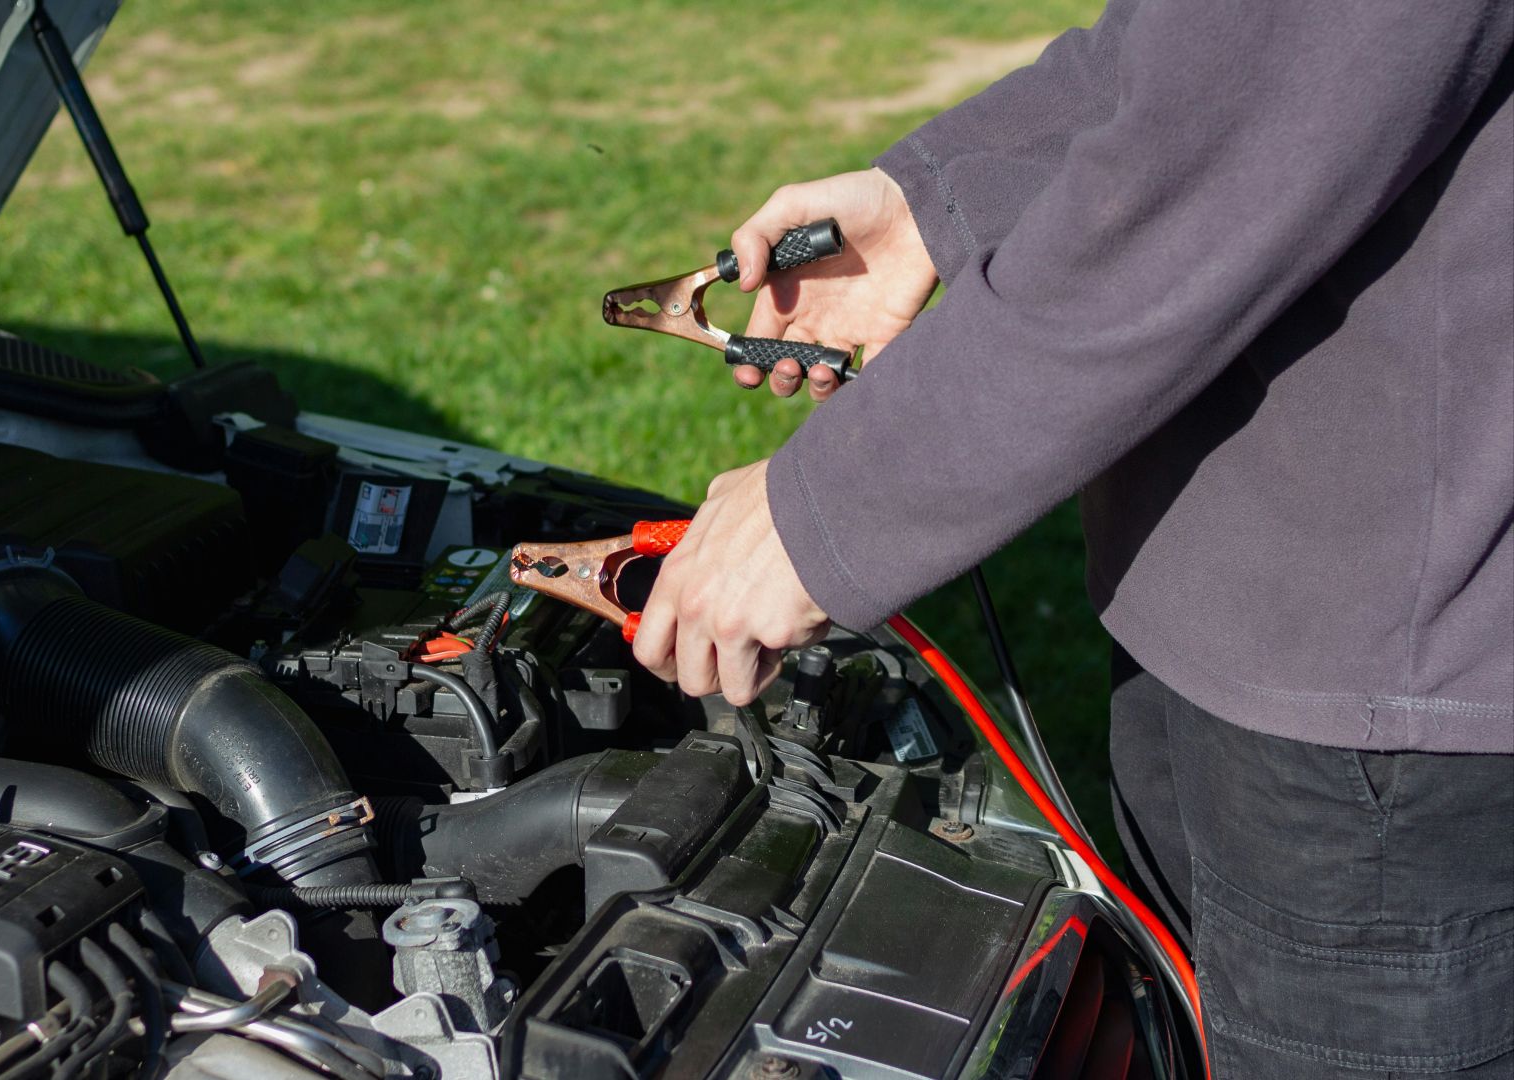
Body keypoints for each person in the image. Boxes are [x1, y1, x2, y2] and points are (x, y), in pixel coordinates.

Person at [627, 1, 1514, 1076]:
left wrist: (826, 512)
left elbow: (1211, 179)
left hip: (1389, 714)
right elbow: (1205, 49)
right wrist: (935, 198)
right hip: (1216, 602)